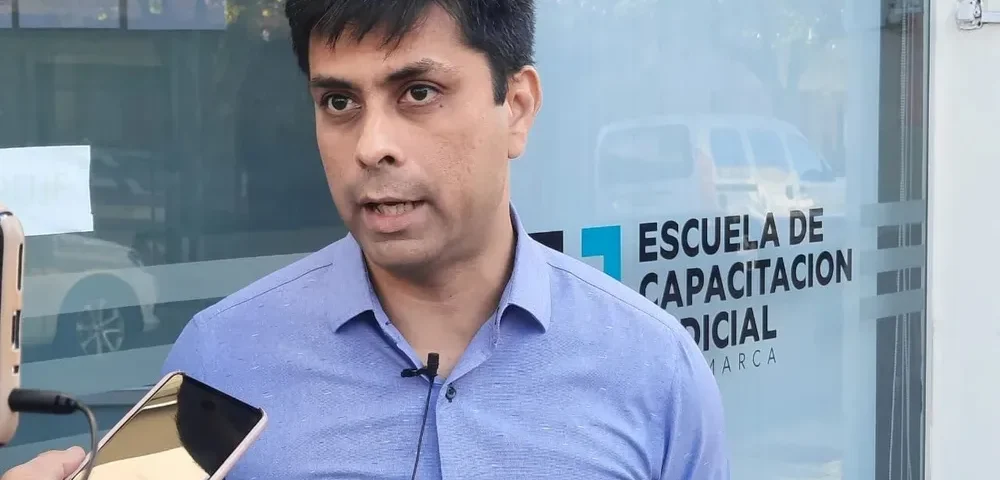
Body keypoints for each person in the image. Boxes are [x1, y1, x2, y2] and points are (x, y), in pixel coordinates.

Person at [3, 0, 730, 478]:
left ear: (516, 107)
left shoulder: (654, 370)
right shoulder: (220, 359)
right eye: (339, 101)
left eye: (418, 92)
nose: (371, 145)